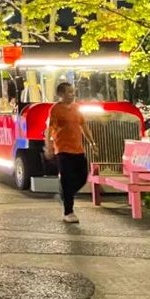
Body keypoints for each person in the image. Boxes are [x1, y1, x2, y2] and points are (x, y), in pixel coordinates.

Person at [45, 82, 97, 224]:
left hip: (78, 149)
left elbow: (83, 125)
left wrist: (92, 143)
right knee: (67, 180)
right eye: (69, 92)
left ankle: (65, 194)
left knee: (82, 177)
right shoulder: (55, 109)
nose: (73, 94)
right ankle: (68, 212)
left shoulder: (76, 108)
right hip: (63, 149)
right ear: (61, 94)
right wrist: (48, 146)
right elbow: (49, 129)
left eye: (73, 92)